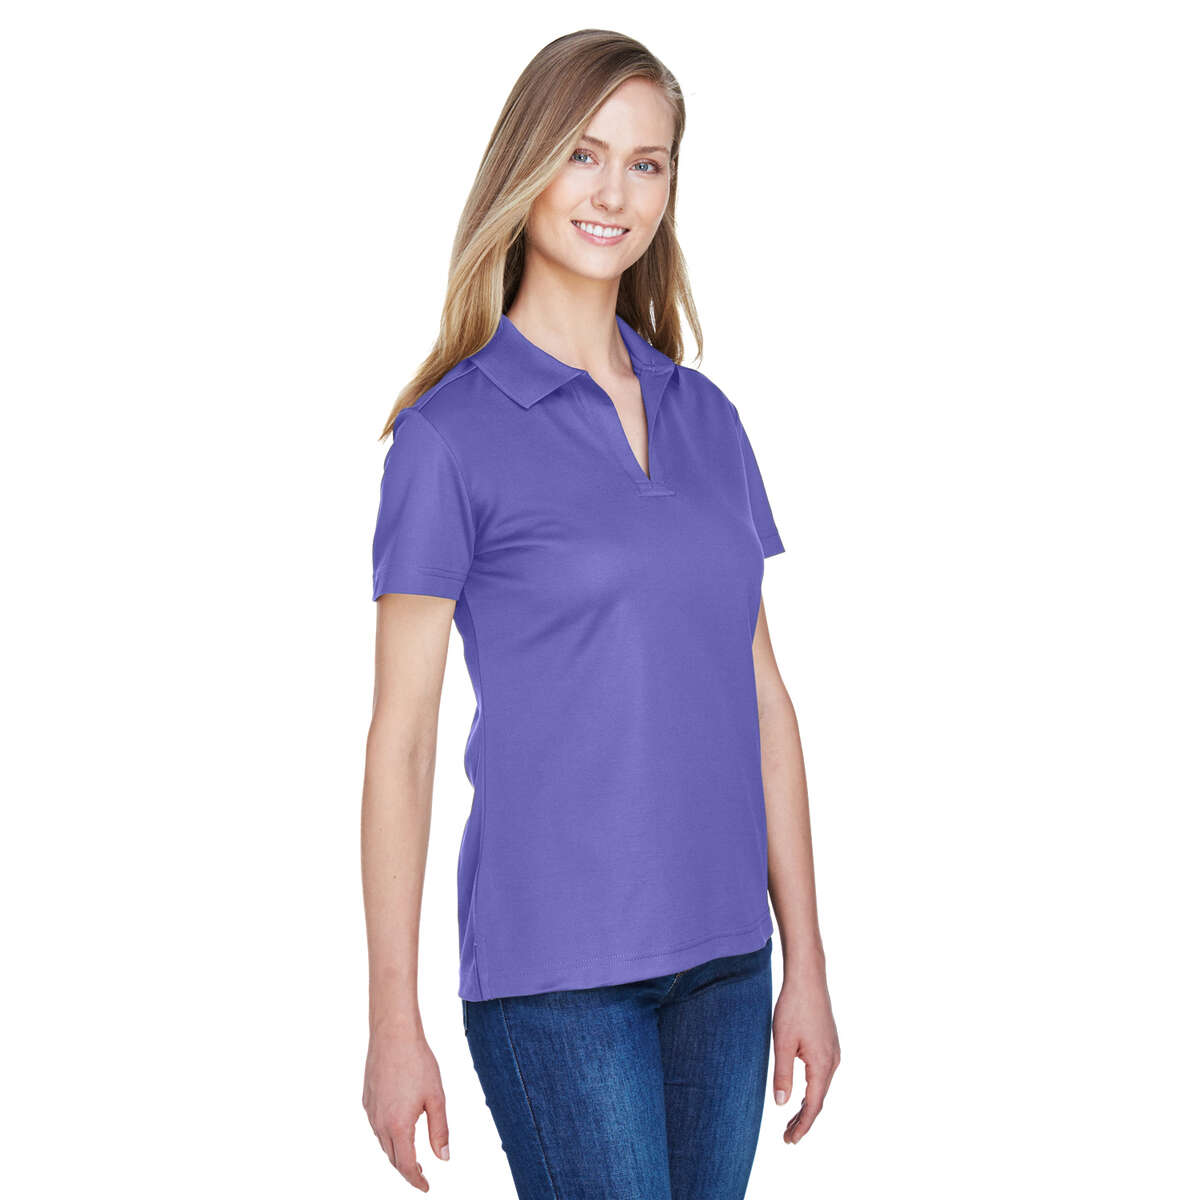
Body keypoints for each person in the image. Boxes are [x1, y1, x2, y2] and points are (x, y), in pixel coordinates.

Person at [361, 29, 839, 1199]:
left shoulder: (708, 418)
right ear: (525, 169)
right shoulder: (446, 437)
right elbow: (402, 744)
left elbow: (764, 702)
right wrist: (391, 1020)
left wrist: (809, 965)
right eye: (583, 154)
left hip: (727, 962)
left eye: (646, 162)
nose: (613, 192)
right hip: (557, 974)